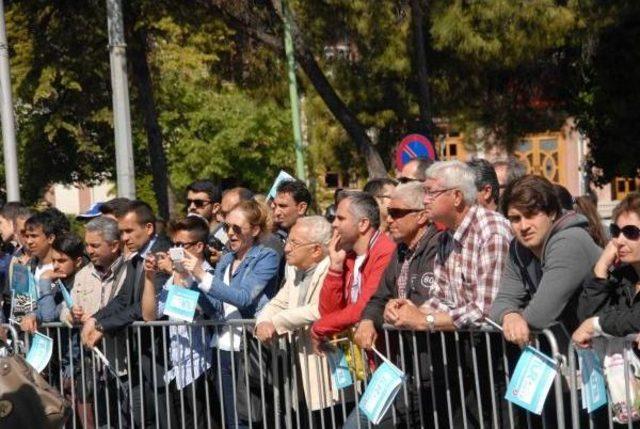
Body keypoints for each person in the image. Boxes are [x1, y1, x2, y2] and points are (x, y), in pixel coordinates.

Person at [383, 161, 512, 428]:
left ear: (456, 196)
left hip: (498, 360)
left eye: (431, 192)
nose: (425, 199)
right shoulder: (445, 238)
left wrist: (424, 321)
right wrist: (409, 310)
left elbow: (485, 310)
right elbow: (440, 297)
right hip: (464, 361)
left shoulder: (492, 230)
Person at [349, 182, 442, 428]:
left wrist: (394, 310)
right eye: (388, 212)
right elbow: (379, 297)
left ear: (422, 215)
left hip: (435, 369)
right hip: (402, 369)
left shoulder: (438, 246)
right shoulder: (399, 250)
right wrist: (369, 320)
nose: (389, 219)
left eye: (397, 213)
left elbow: (424, 303)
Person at [185, 199, 281, 429]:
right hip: (222, 347)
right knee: (230, 419)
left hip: (248, 348)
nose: (230, 233)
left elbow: (244, 298)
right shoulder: (226, 259)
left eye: (237, 228)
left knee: (249, 417)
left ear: (255, 230)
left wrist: (202, 274)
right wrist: (190, 279)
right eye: (227, 227)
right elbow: (216, 306)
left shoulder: (266, 256)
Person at [81, 200, 171, 429]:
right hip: (142, 355)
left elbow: (144, 306)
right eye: (121, 232)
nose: (124, 238)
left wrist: (103, 326)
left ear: (148, 228)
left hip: (164, 352)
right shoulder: (136, 257)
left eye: (129, 231)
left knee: (166, 417)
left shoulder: (162, 256)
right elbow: (122, 299)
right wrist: (95, 319)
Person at [490, 175, 601, 347]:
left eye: (531, 215)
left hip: (616, 349)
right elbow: (502, 301)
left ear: (552, 213)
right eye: (515, 218)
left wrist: (518, 320)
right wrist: (509, 316)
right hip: (580, 353)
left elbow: (540, 315)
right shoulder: (518, 248)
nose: (524, 226)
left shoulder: (570, 241)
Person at [254, 216, 337, 421]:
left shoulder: (333, 268)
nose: (287, 248)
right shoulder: (292, 268)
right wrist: (263, 321)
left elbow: (320, 309)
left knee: (332, 417)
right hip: (299, 364)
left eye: (294, 243)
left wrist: (276, 322)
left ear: (316, 250)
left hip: (327, 361)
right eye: (288, 241)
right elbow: (278, 301)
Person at [142, 216, 214, 428]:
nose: (175, 251)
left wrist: (175, 274)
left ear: (199, 246)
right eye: (174, 245)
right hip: (177, 368)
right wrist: (148, 277)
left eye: (182, 246)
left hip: (202, 366)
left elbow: (189, 311)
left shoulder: (207, 275)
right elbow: (150, 315)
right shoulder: (175, 277)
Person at [310, 191, 395, 348]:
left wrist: (320, 326)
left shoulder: (385, 251)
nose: (334, 224)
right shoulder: (347, 256)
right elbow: (328, 312)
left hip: (383, 354)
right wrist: (335, 268)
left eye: (341, 218)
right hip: (358, 357)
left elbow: (364, 307)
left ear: (363, 224)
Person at [573, 192, 640, 346]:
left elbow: (635, 319)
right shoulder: (621, 276)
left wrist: (596, 325)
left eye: (631, 232)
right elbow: (587, 318)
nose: (619, 240)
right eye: (616, 231)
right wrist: (602, 266)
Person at [20, 233, 86, 333]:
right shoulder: (57, 282)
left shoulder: (83, 284)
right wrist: (33, 315)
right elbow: (43, 307)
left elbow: (48, 316)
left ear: (78, 262)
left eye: (61, 261)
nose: (55, 266)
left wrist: (45, 280)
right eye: (53, 260)